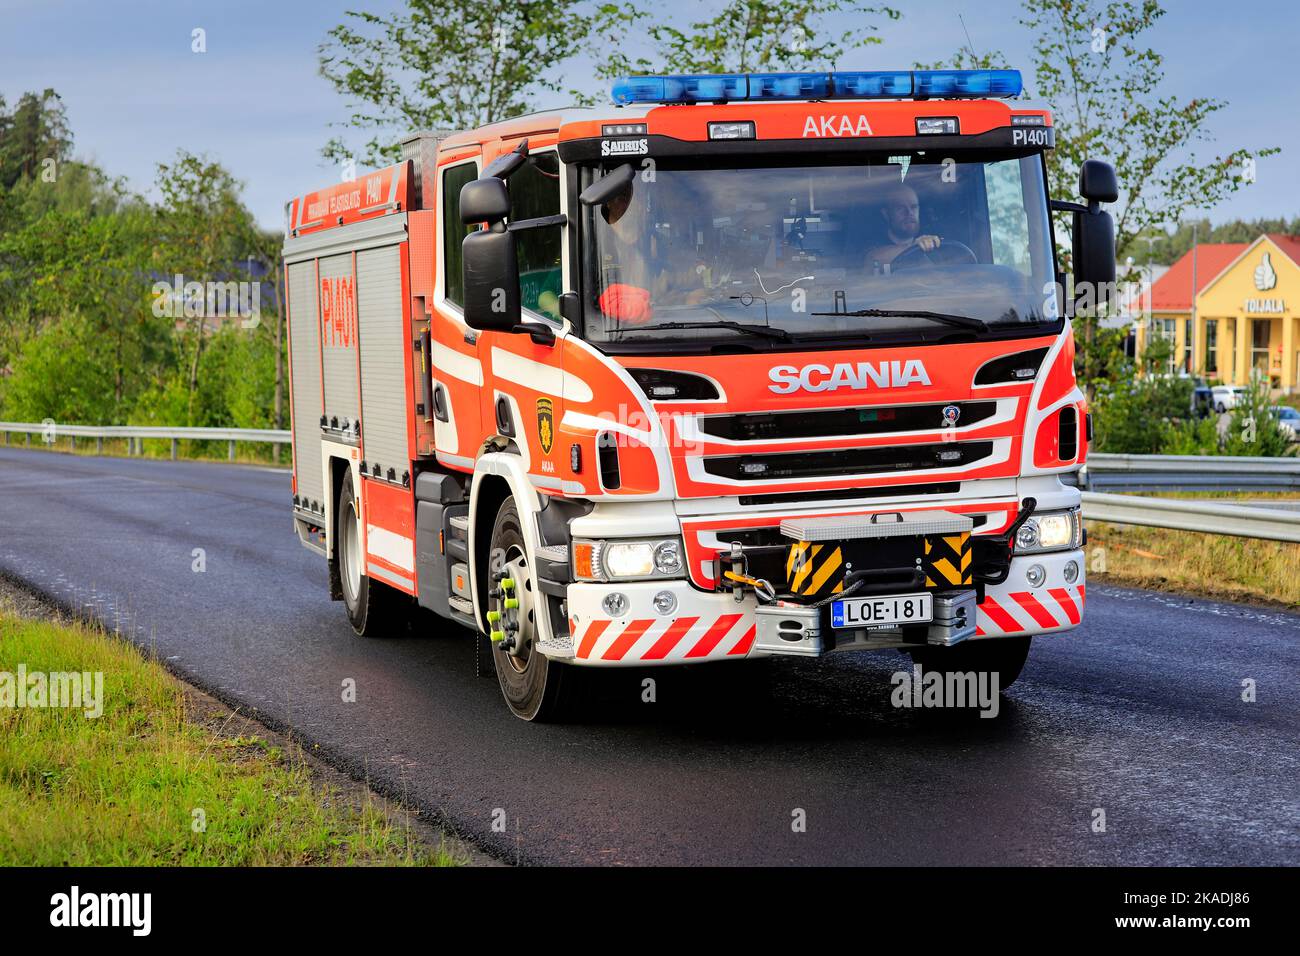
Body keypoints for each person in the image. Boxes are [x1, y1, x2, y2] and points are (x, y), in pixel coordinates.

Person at [863, 181, 944, 271]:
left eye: (914, 207)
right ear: (886, 214)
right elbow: (872, 259)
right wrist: (916, 247)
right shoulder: (872, 242)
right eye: (900, 208)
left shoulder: (933, 243)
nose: (909, 213)